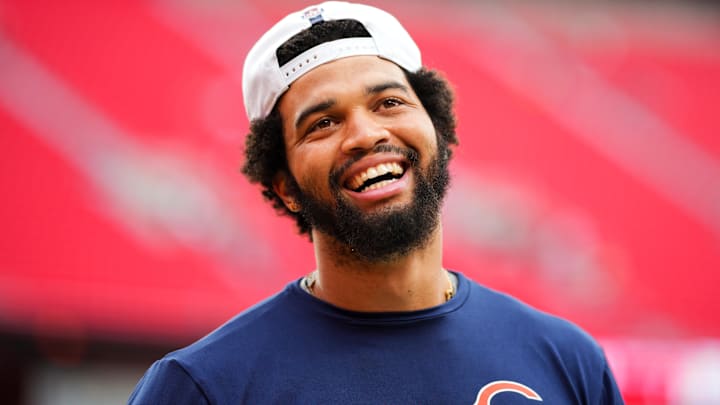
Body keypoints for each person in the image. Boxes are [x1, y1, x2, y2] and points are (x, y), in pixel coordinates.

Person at [129, 1, 624, 404]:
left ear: (440, 132)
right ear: (285, 187)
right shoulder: (205, 386)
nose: (365, 135)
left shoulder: (567, 362)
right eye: (322, 123)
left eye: (389, 103)